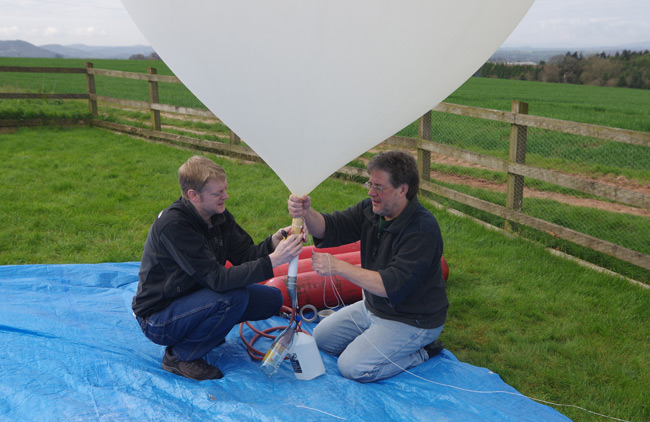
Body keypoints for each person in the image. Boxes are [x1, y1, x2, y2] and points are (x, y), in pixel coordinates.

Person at [133, 155, 304, 381]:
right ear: (193, 195)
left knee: (271, 299)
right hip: (159, 317)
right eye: (218, 193)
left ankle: (205, 330)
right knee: (233, 296)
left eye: (225, 189)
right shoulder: (174, 226)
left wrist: (275, 241)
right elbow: (218, 280)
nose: (226, 196)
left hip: (194, 296)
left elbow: (244, 255)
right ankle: (180, 357)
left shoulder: (217, 215)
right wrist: (274, 260)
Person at [288, 150, 447, 383]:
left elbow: (390, 285)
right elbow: (329, 228)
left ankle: (424, 351)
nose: (372, 192)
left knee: (352, 367)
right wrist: (306, 211)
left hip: (412, 320)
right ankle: (375, 335)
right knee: (320, 339)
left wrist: (339, 267)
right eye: (369, 184)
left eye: (379, 187)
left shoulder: (421, 229)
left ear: (403, 189)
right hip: (372, 308)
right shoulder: (372, 210)